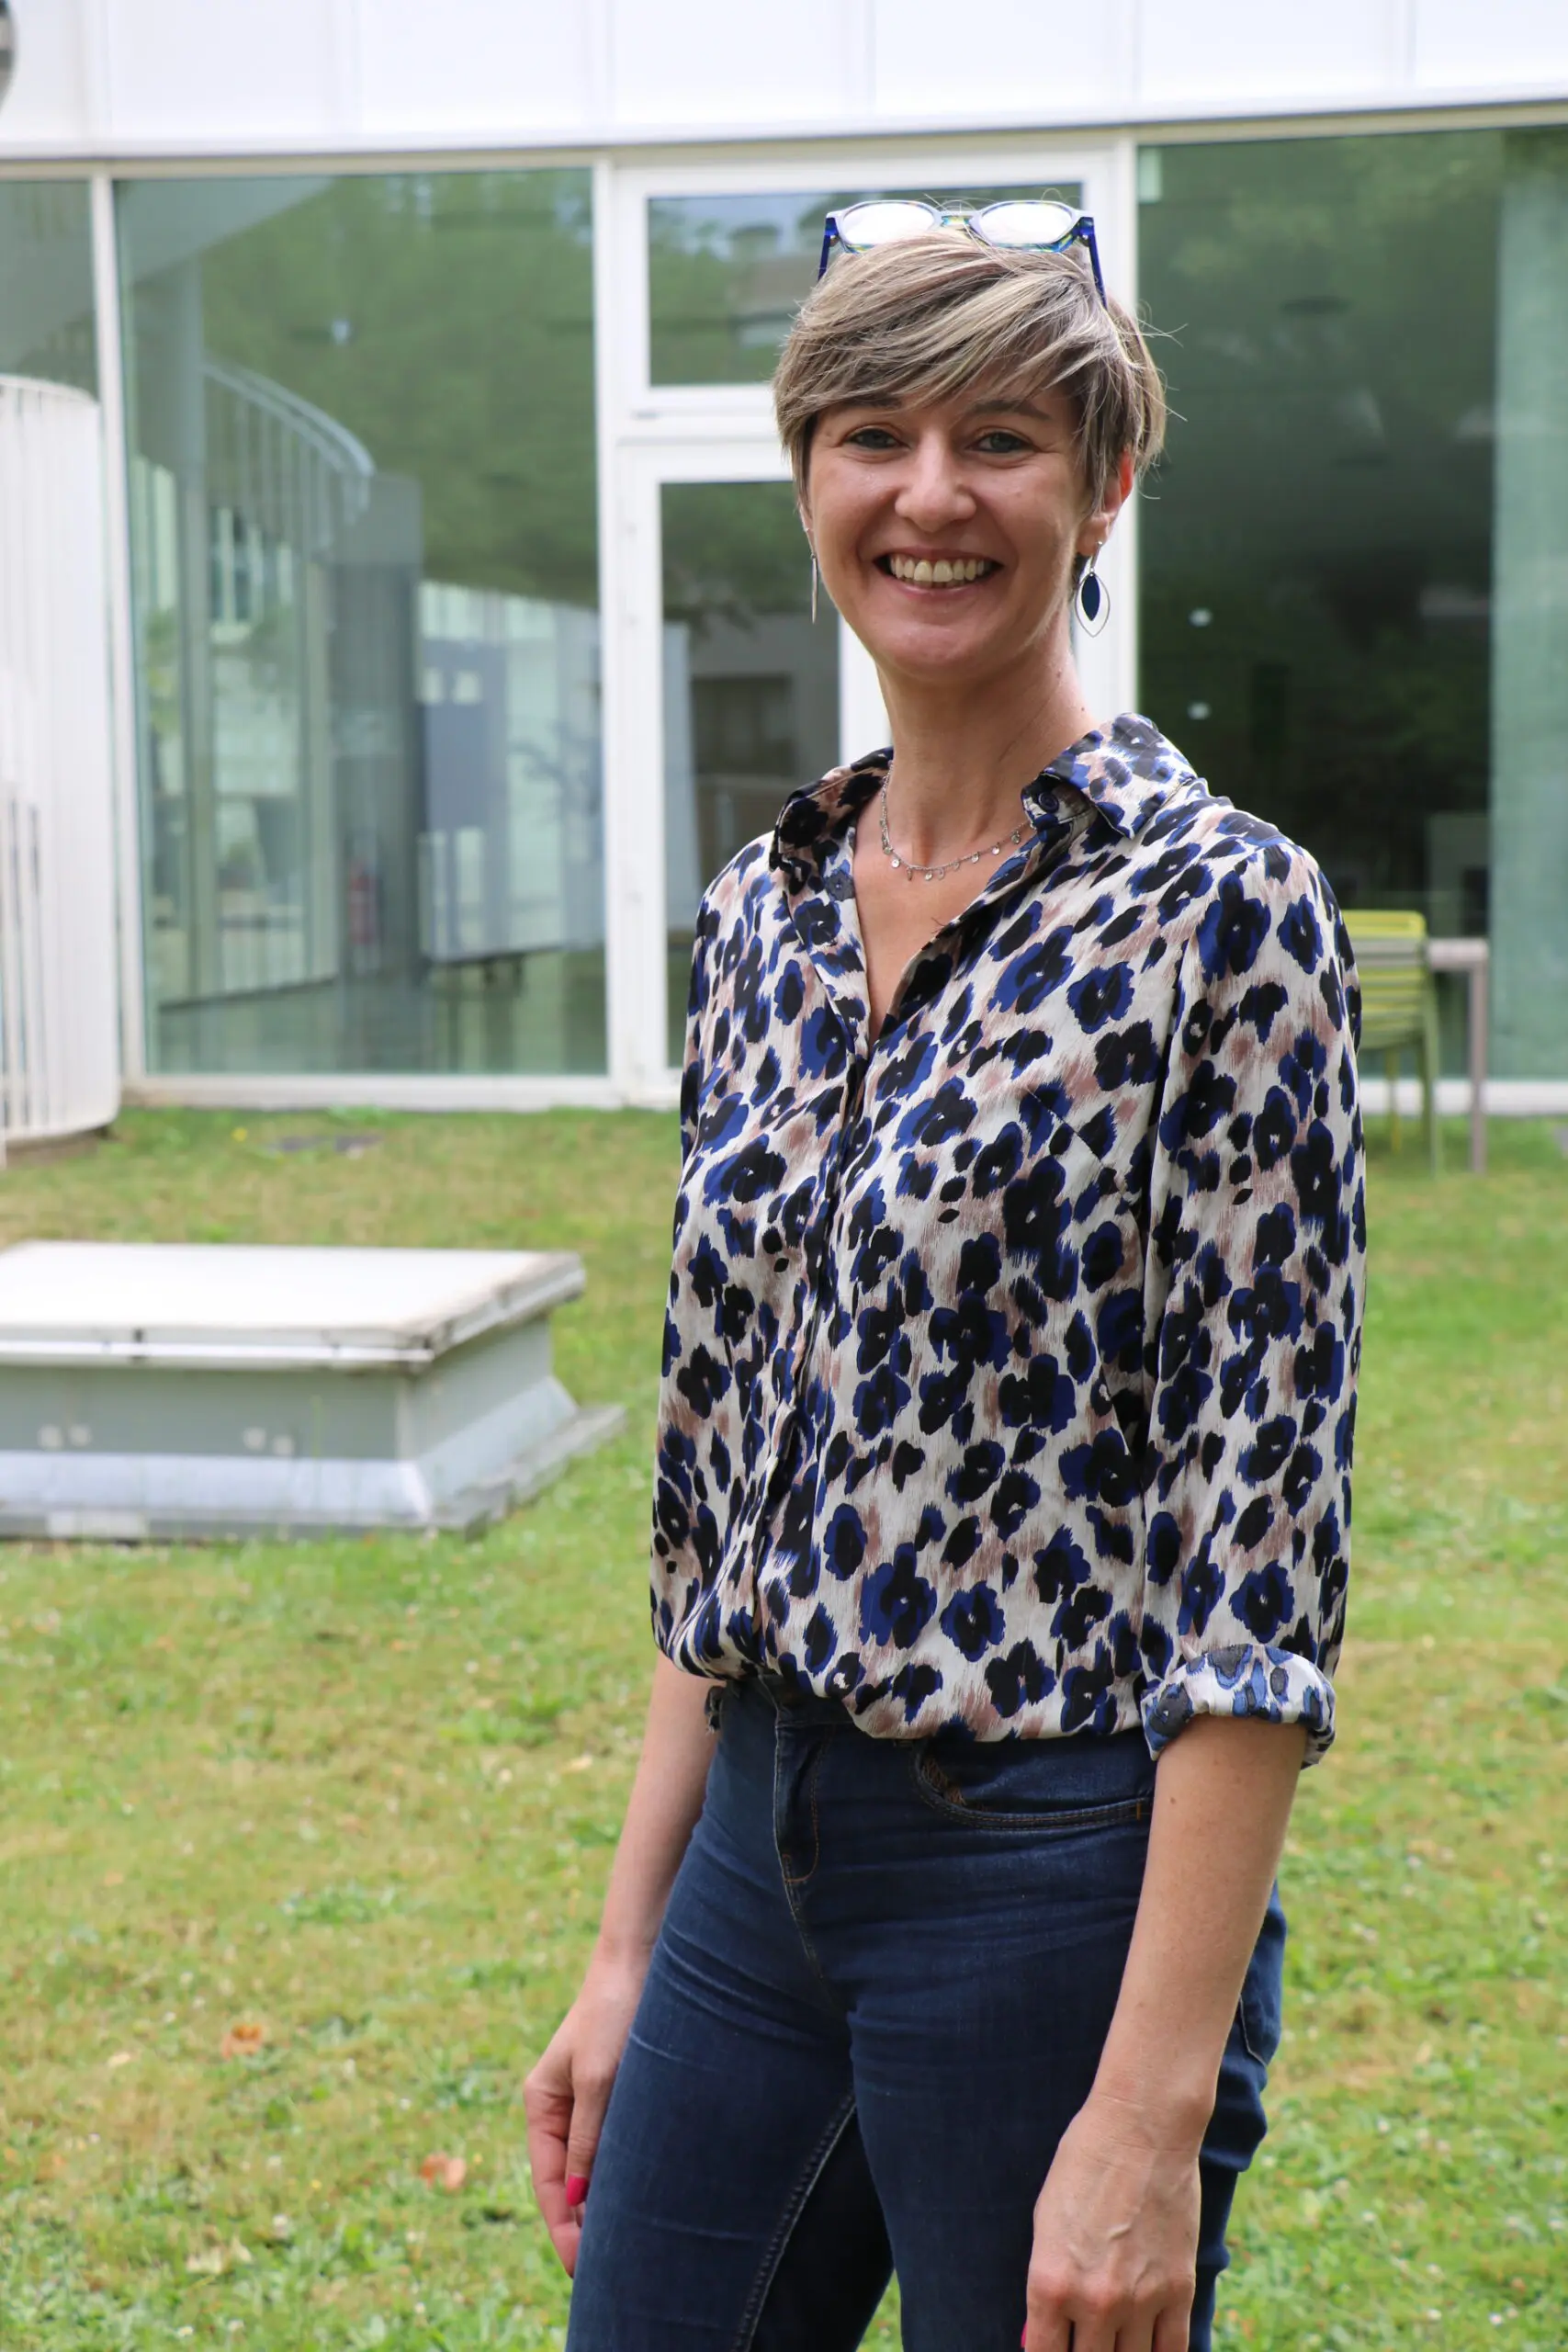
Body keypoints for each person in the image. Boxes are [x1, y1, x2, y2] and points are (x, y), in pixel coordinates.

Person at [525, 209, 1366, 2352]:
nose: (930, 493)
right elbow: (719, 1484)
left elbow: (1254, 1563)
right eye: (871, 435)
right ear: (808, 476)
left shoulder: (1221, 916)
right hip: (754, 1850)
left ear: (1102, 485)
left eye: (999, 438)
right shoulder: (767, 909)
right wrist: (625, 1948)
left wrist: (1148, 2109)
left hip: (1053, 1873)